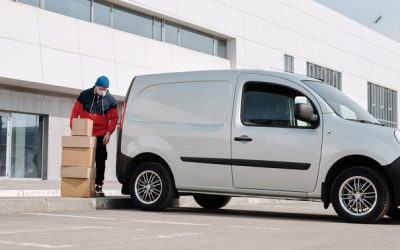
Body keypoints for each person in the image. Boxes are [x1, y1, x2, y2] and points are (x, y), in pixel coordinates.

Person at [70, 76, 118, 197]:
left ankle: (98, 186)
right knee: (83, 159)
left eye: (105, 89)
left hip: (101, 134)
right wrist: (74, 128)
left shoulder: (111, 99)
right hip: (86, 132)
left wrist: (109, 132)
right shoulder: (84, 95)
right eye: (101, 89)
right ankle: (81, 185)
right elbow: (75, 112)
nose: (103, 91)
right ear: (95, 87)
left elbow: (114, 118)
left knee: (101, 161)